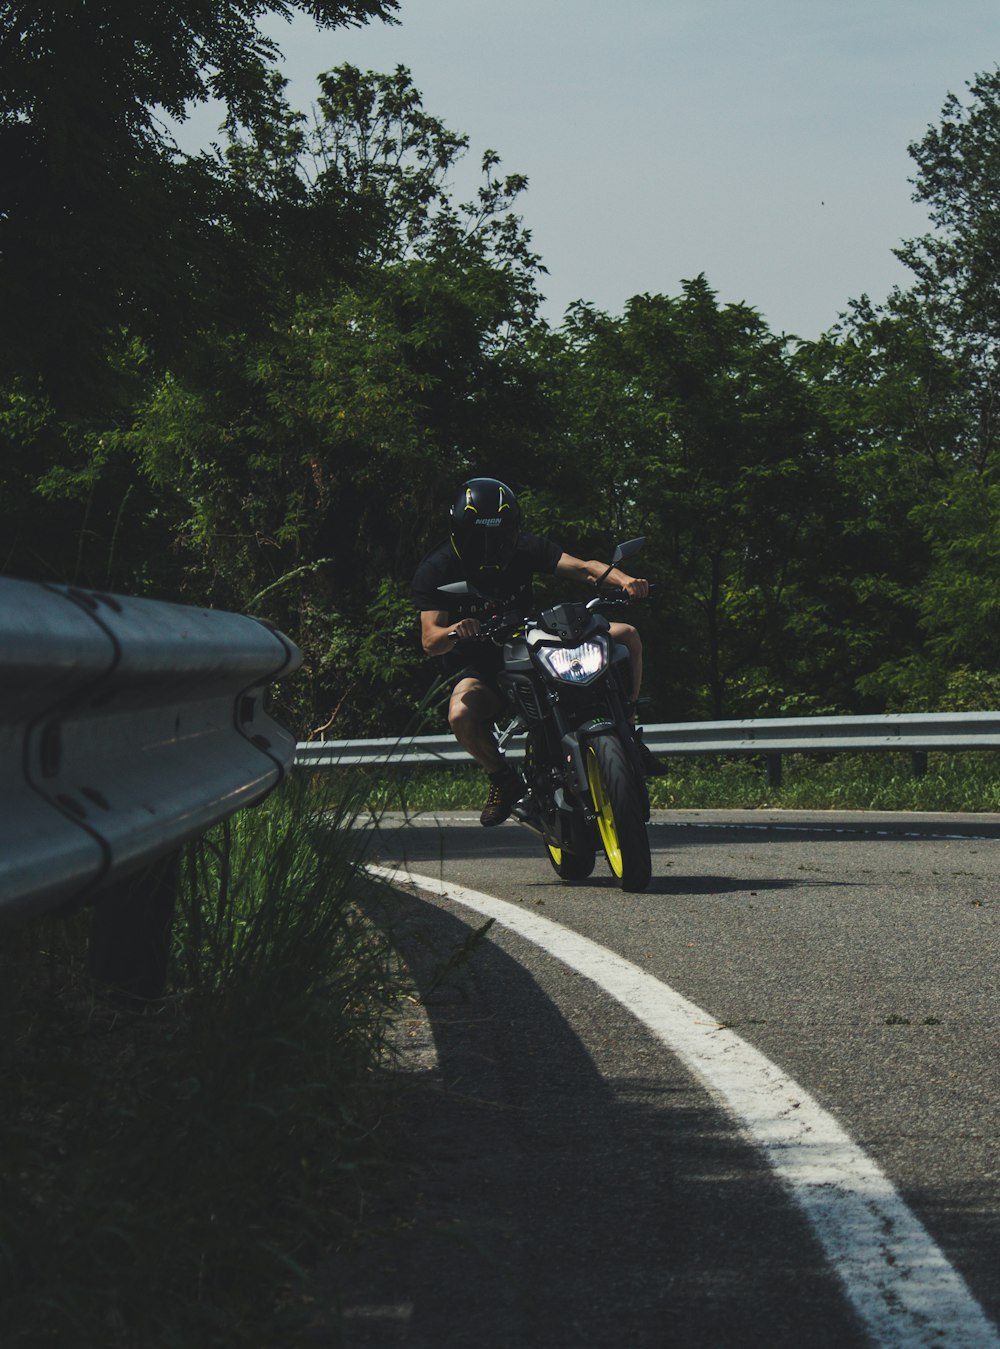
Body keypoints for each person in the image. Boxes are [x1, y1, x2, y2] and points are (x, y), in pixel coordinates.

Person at [410, 476, 659, 828]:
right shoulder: (437, 569)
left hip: (534, 643)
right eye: (480, 539)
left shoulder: (525, 546)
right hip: (484, 667)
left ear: (513, 530)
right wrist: (455, 629)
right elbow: (430, 639)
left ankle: (627, 731)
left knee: (627, 636)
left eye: (499, 537)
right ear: (460, 533)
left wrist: (625, 581)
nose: (491, 546)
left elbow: (584, 567)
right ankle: (502, 778)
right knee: (459, 715)